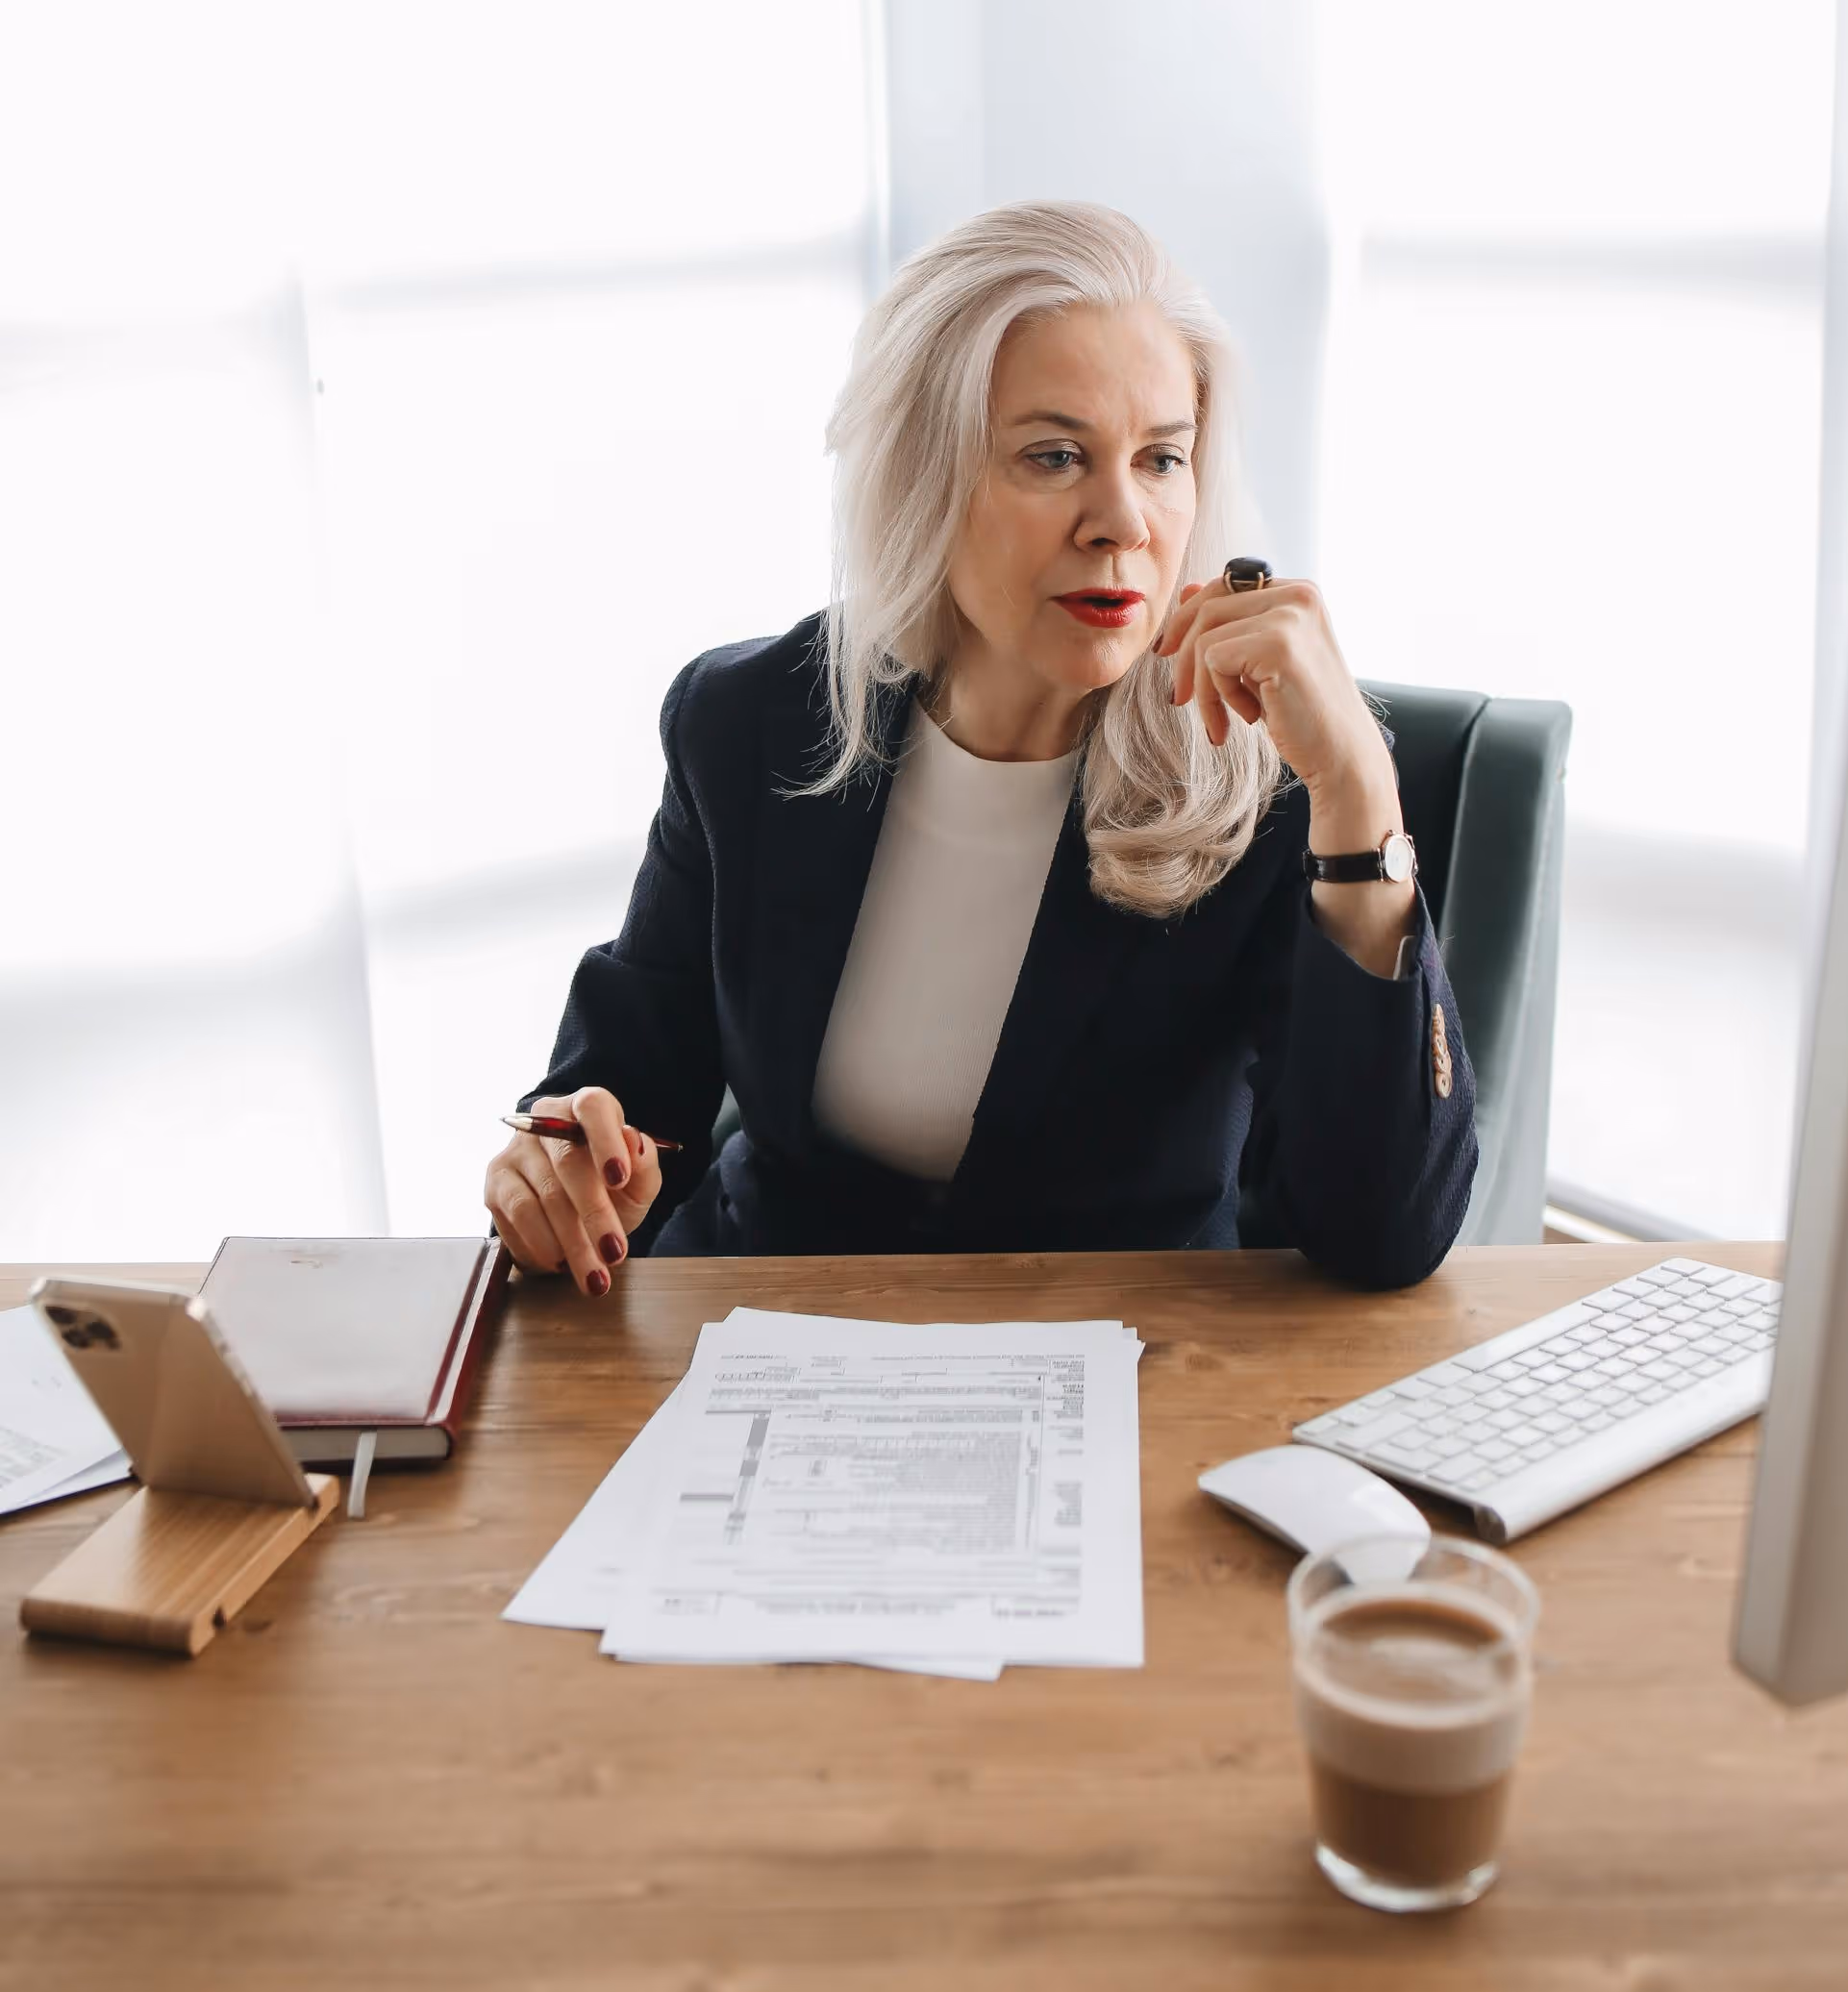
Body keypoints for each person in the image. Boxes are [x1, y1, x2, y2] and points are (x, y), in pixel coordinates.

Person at [483, 203, 1476, 1287]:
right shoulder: (746, 720)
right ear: (922, 475)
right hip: (766, 1356)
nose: (1123, 522)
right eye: (1053, 457)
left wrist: (1359, 798)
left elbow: (1379, 1238)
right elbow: (631, 1095)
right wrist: (570, 1167)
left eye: (1159, 459)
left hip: (1124, 1383)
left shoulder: (1265, 783)